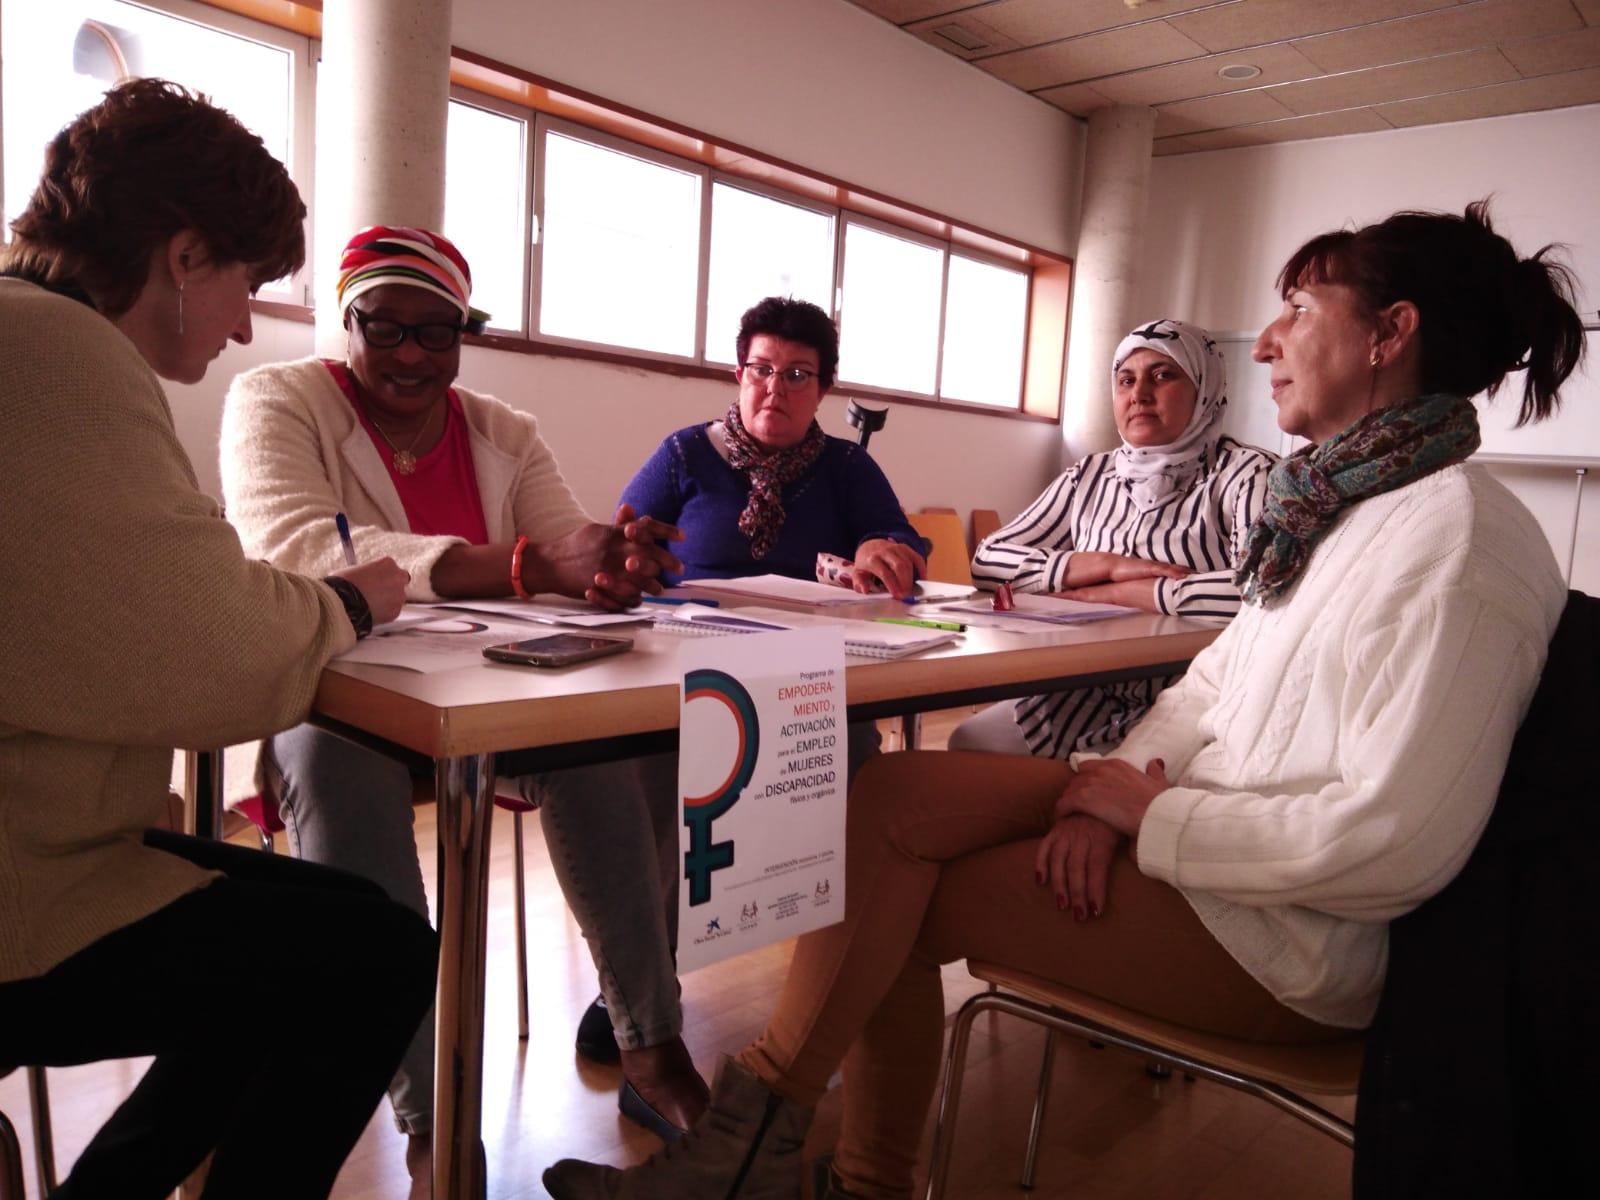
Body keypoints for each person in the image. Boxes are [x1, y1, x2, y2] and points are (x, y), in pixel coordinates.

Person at [541, 200, 1584, 1200]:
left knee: (879, 894)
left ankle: (811, 1173)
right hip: (1202, 826)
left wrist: (1150, 818)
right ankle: (756, 1159)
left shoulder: (1452, 542)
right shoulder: (1337, 509)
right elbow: (1212, 682)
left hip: (1286, 934)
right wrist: (1107, 789)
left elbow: (1395, 841)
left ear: (1388, 336)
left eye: (1299, 311)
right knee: (890, 797)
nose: (1266, 343)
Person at [0, 79, 434, 1200]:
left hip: (39, 841)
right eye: (245, 283)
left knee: (335, 927)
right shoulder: (56, 355)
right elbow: (200, 652)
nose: (246, 321)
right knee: (371, 958)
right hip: (19, 897)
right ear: (184, 256)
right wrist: (349, 605)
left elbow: (151, 595)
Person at [219, 225, 698, 1176]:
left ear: (463, 334)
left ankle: (649, 1041)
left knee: (599, 741)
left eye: (438, 332)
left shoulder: (504, 430)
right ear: (343, 320)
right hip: (333, 692)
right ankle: (434, 1117)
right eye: (384, 329)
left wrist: (607, 571)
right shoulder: (276, 399)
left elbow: (565, 549)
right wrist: (523, 564)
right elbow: (293, 553)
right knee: (330, 766)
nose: (411, 355)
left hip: (485, 699)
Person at [956, 318, 1275, 758]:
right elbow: (988, 560)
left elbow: (1265, 592)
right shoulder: (1091, 474)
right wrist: (1098, 566)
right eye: (1126, 379)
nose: (1139, 394)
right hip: (1083, 691)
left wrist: (1142, 592)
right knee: (969, 744)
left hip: (1193, 705)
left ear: (1204, 387)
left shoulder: (1245, 474)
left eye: (1163, 376)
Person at [619, 296, 928, 597]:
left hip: (814, 641)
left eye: (797, 375)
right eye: (761, 369)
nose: (775, 388)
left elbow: (905, 545)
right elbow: (619, 542)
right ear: (740, 377)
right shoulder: (684, 454)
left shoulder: (847, 465)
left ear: (822, 392)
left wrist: (879, 546)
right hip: (688, 637)